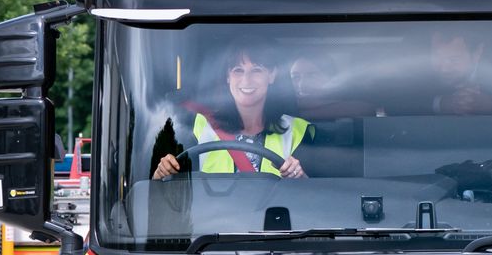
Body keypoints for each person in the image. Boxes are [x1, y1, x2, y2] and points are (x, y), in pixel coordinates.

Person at [153, 47, 311, 179]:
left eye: (256, 70)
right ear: (228, 77)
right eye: (238, 70)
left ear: (272, 75)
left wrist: (300, 177)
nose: (246, 80)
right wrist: (162, 173)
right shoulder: (195, 126)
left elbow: (316, 200)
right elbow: (168, 197)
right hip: (208, 216)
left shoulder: (299, 130)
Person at [425, 30, 492, 115]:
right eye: (437, 58)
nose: (444, 69)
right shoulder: (419, 69)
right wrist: (445, 103)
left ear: (477, 53)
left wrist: (491, 105)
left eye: (454, 60)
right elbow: (414, 102)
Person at [289, 55, 378, 120]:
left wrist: (295, 112)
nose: (302, 84)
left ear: (331, 78)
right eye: (295, 77)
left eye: (312, 76)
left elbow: (366, 109)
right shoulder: (281, 101)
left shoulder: (351, 99)